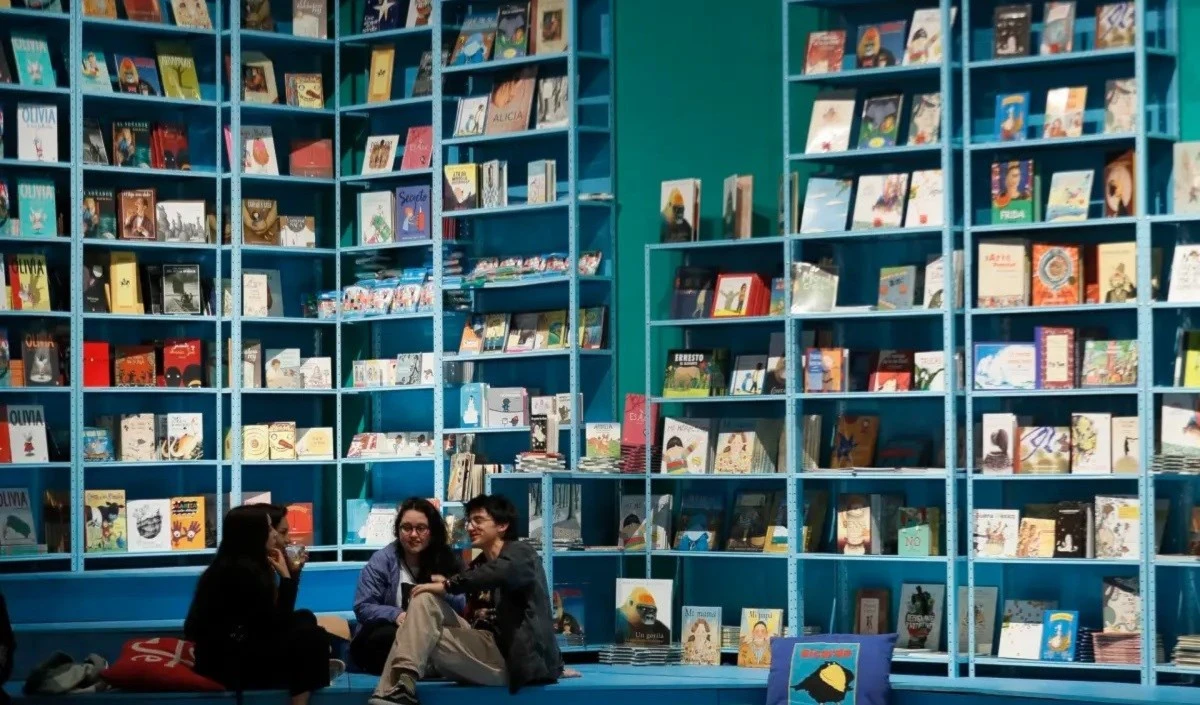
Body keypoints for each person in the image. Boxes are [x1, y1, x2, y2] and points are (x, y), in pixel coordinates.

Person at [368, 495, 565, 705]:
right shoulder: (478, 564)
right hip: (481, 645)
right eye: (469, 521)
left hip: (506, 658)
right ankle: (400, 687)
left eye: (478, 520)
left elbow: (499, 573)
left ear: (502, 525)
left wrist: (447, 585)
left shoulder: (522, 554)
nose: (471, 527)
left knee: (415, 631)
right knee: (423, 599)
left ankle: (389, 694)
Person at [184, 506, 330, 705]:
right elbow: (276, 627)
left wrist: (290, 576)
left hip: (233, 655)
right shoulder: (242, 573)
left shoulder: (236, 565)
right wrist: (287, 578)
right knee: (313, 637)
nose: (275, 536)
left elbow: (273, 622)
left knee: (305, 618)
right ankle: (301, 698)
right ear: (253, 535)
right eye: (269, 529)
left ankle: (315, 667)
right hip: (230, 666)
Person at [351, 498, 464, 675]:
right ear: (398, 530)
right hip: (393, 631)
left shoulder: (447, 560)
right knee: (383, 639)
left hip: (434, 633)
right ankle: (423, 668)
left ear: (432, 531)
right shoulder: (382, 561)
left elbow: (461, 606)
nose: (413, 535)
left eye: (420, 528)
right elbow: (363, 606)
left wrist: (444, 589)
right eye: (406, 528)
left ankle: (416, 669)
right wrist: (397, 615)